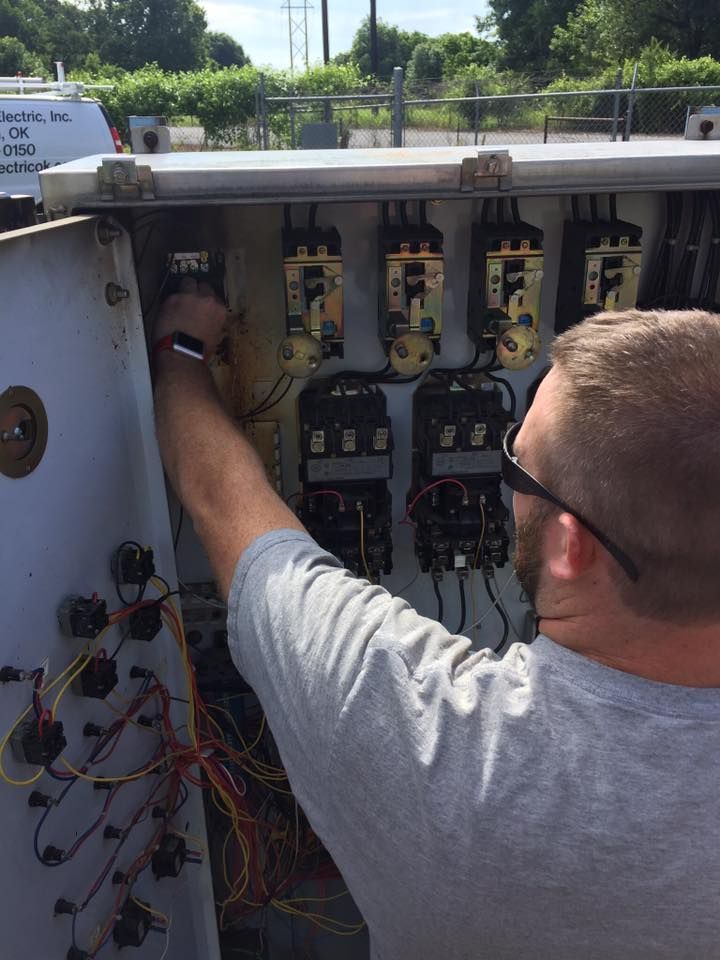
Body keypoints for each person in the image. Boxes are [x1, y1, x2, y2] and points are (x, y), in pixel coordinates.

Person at [154, 284, 720, 960]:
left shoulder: (427, 737)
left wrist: (182, 347)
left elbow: (223, 502)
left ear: (571, 548)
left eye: (516, 463)